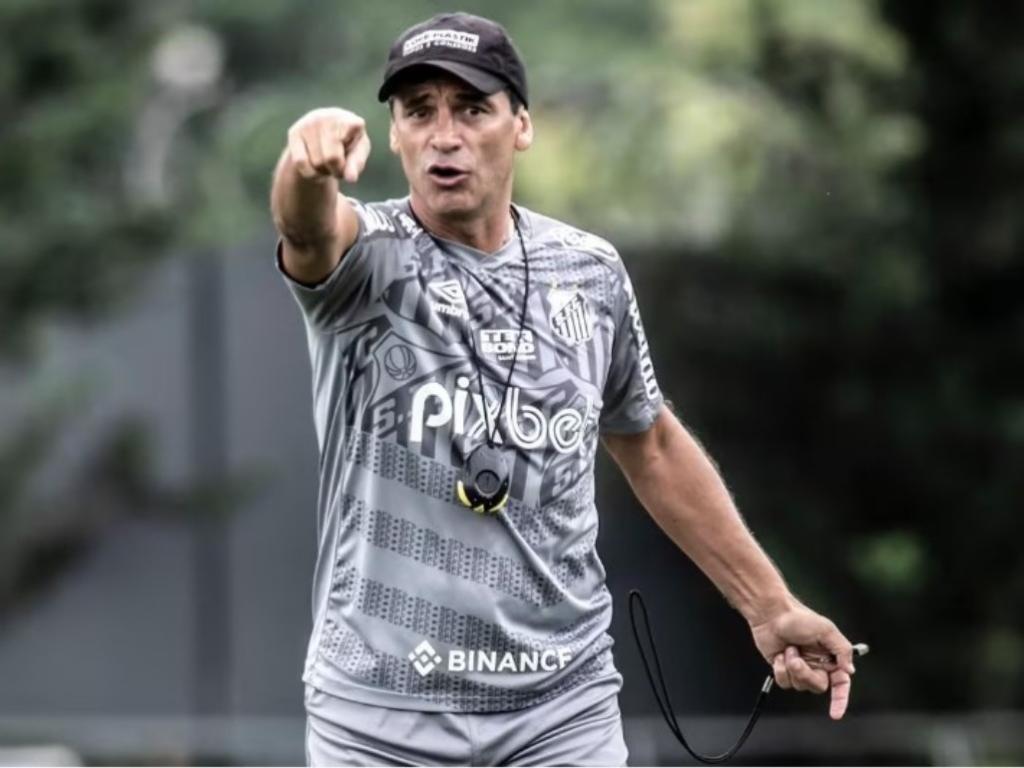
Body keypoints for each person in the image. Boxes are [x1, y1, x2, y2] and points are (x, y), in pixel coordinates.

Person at [269, 11, 857, 767]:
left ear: (521, 126)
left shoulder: (589, 271)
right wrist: (304, 162)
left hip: (558, 713)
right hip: (382, 719)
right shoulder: (365, 261)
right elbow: (306, 231)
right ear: (393, 135)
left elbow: (649, 442)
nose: (444, 135)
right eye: (419, 111)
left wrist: (769, 608)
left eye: (472, 109)